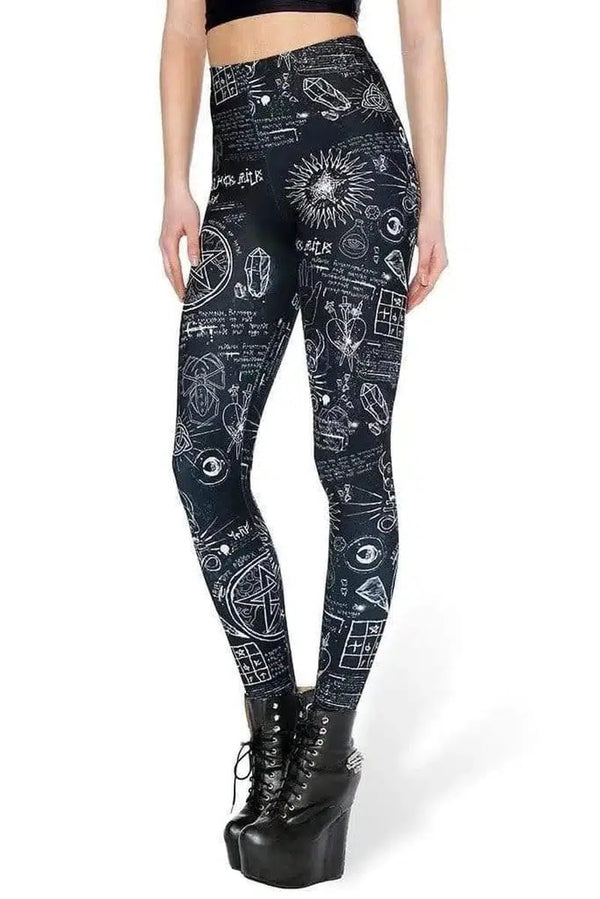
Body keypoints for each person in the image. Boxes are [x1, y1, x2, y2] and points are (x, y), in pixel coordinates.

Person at [159, 0, 447, 886]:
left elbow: (422, 32)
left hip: (353, 146)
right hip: (239, 162)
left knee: (351, 459)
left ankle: (326, 752)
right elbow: (182, 30)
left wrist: (435, 204)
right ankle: (276, 725)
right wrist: (175, 181)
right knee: (202, 459)